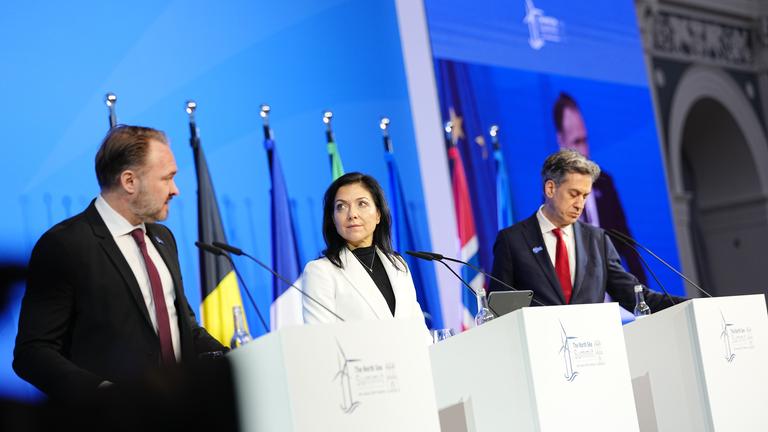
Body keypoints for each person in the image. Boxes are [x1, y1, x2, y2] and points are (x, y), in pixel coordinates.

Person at [13, 125, 226, 400]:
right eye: (167, 178)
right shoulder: (65, 245)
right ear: (129, 181)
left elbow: (182, 323)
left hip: (180, 412)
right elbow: (33, 353)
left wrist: (236, 361)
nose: (176, 190)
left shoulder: (163, 238)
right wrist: (105, 396)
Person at [490, 149, 684, 311]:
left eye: (585, 196)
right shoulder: (512, 241)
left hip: (590, 350)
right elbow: (500, 310)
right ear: (550, 189)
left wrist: (690, 304)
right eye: (574, 194)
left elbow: (636, 297)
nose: (580, 204)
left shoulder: (598, 240)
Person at [301, 172, 430, 341]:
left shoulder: (398, 265)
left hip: (411, 365)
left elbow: (419, 331)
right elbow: (320, 341)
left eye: (362, 203)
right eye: (341, 206)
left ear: (378, 214)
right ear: (333, 219)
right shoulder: (320, 271)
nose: (352, 214)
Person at [553, 92, 647, 284]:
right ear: (561, 141)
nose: (585, 152)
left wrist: (643, 291)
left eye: (585, 140)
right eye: (576, 142)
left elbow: (626, 240)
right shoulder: (554, 191)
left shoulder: (604, 182)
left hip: (612, 287)